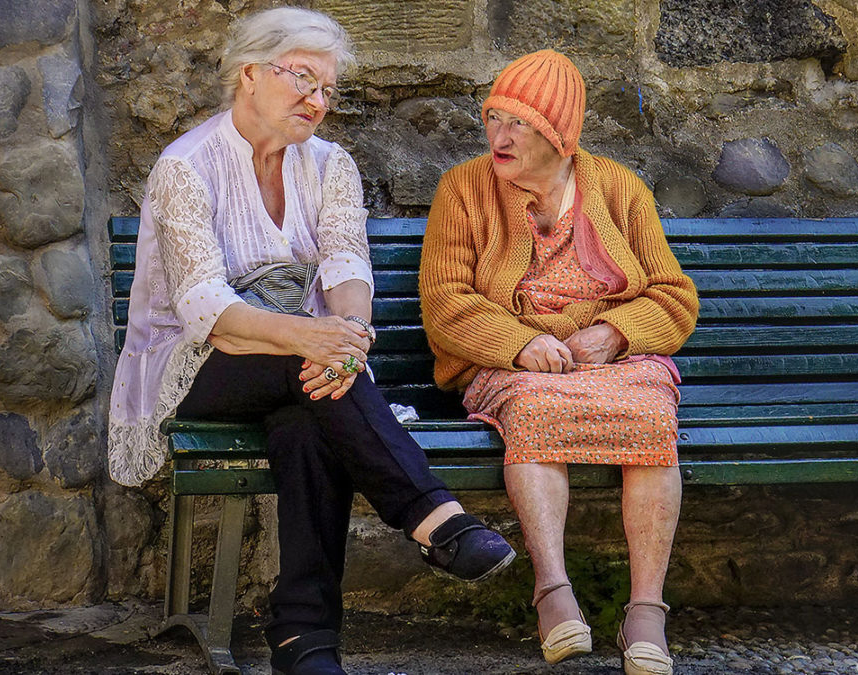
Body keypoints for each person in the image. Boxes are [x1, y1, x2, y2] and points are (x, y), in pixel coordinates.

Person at [106, 8, 514, 675]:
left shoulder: (331, 165)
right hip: (198, 360)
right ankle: (435, 516)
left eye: (327, 89)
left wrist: (347, 339)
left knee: (304, 421)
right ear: (248, 74)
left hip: (301, 364)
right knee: (311, 368)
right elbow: (206, 305)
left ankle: (304, 643)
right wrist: (317, 340)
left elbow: (347, 268)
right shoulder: (187, 167)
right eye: (302, 79)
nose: (317, 100)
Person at [419, 50, 699, 675]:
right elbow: (446, 301)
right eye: (493, 118)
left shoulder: (620, 188)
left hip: (611, 360)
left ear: (559, 134)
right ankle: (554, 594)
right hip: (510, 362)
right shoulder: (463, 189)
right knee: (535, 410)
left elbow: (673, 296)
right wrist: (517, 343)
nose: (499, 135)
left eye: (519, 123)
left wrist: (615, 333)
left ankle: (646, 609)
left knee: (653, 414)